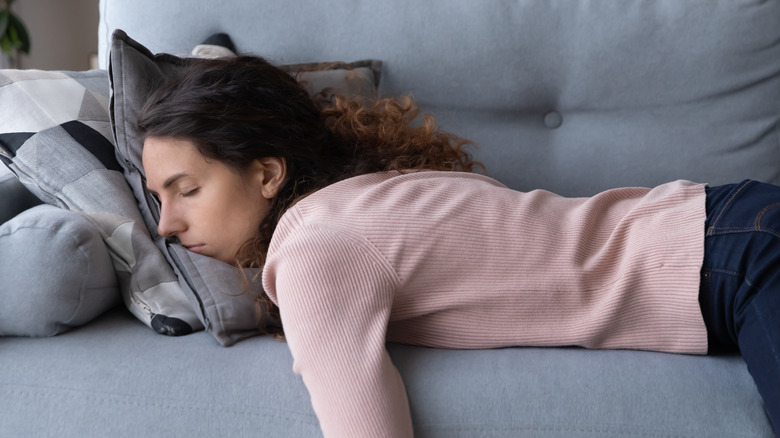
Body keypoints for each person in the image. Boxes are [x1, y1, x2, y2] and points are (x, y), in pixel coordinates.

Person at [138, 56, 779, 437]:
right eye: (157, 199)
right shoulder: (365, 198)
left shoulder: (315, 248)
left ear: (267, 173)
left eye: (186, 190)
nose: (165, 224)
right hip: (731, 231)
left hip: (739, 260)